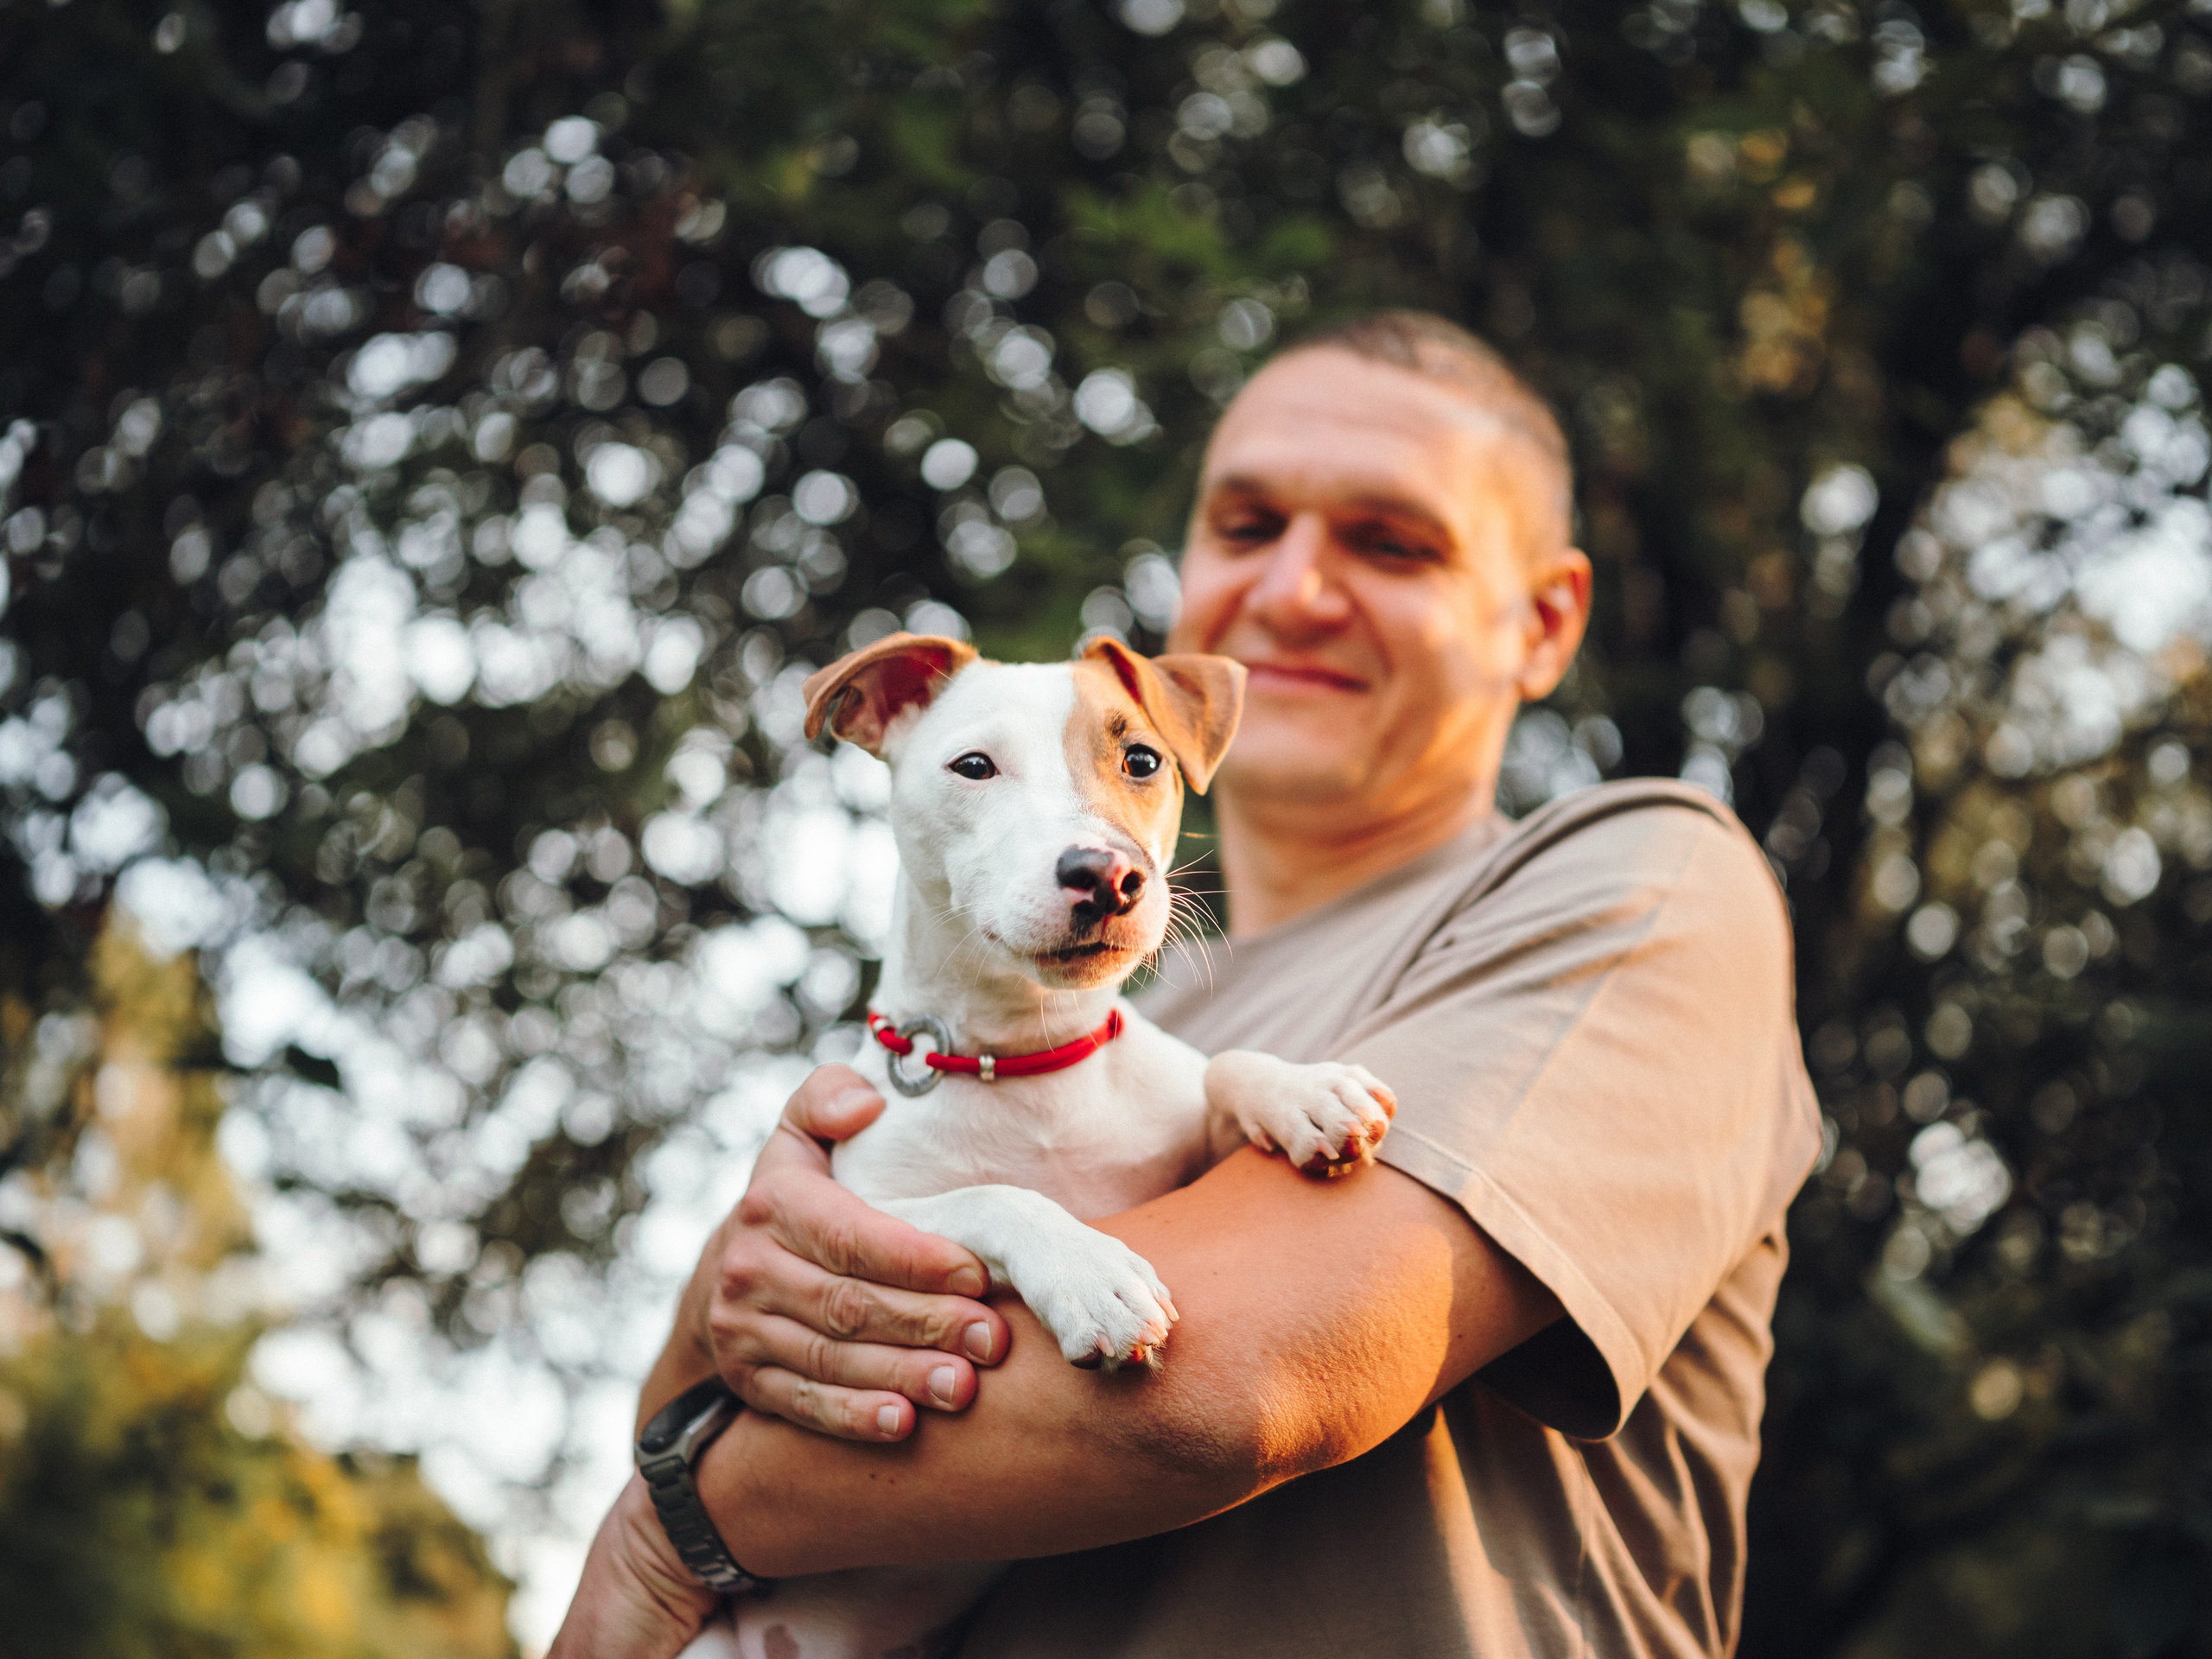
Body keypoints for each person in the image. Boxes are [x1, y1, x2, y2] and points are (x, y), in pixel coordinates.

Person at [554, 311, 1821, 1658]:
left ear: (1546, 618)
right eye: (1246, 524)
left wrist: (669, 1524)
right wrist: (724, 1305)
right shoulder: (1108, 1029)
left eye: (1391, 542)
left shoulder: (1634, 886)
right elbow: (688, 1400)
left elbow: (1220, 1385)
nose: (1293, 591)